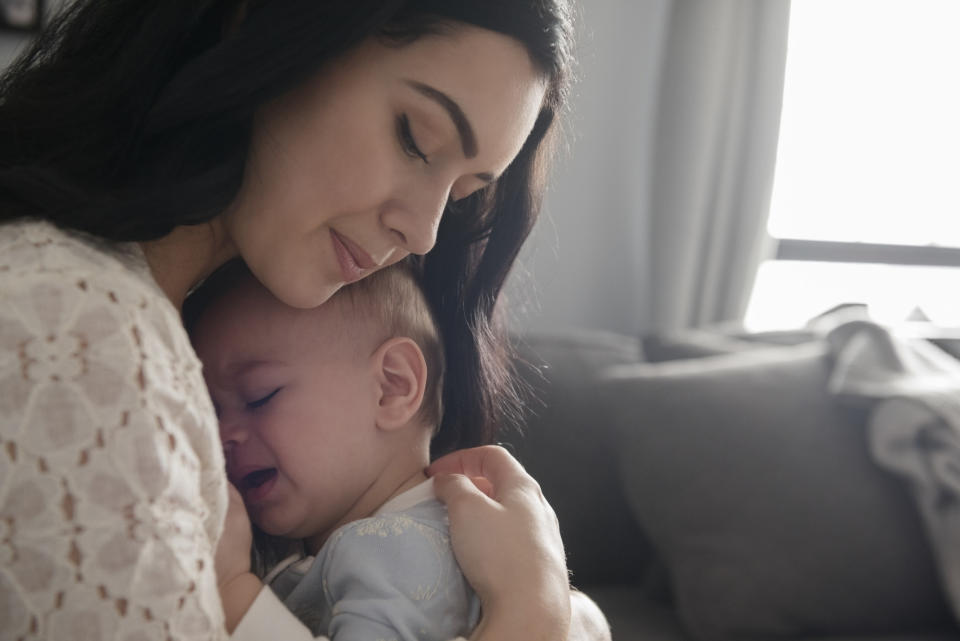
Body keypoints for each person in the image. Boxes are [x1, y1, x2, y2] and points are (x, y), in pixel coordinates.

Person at [0, 2, 610, 640]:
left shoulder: (160, 330)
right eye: (414, 137)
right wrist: (532, 614)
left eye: (463, 196)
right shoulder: (74, 332)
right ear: (265, 23)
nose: (425, 232)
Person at [188, 258, 477, 639]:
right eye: (213, 412)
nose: (223, 434)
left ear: (391, 387)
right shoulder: (369, 541)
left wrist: (233, 593)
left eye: (260, 396)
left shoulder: (403, 548)